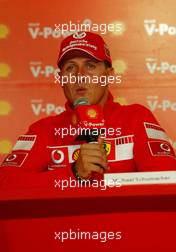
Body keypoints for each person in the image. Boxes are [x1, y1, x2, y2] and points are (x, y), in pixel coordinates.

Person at [0, 31, 176, 183]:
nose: (80, 76)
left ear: (108, 76)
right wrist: (73, 173)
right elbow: (5, 183)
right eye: (70, 68)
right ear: (61, 79)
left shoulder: (136, 118)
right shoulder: (43, 131)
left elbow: (168, 180)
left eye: (90, 66)